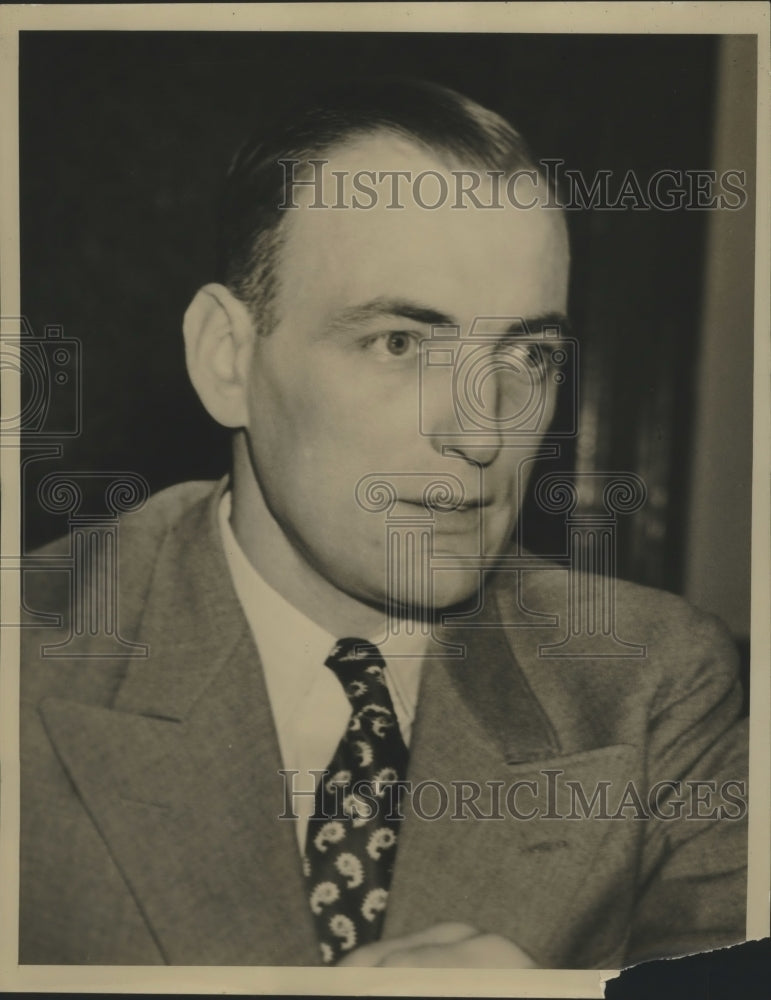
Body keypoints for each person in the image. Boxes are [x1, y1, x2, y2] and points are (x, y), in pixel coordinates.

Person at [19, 78, 748, 968]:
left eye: (527, 355)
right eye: (400, 343)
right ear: (226, 360)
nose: (482, 433)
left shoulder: (653, 686)